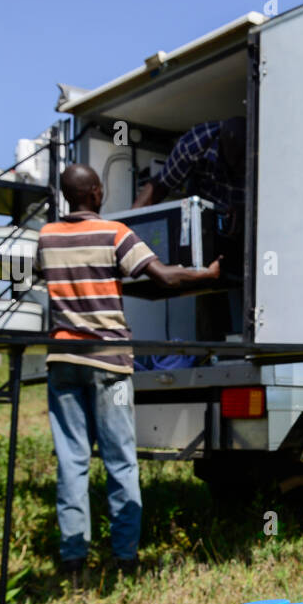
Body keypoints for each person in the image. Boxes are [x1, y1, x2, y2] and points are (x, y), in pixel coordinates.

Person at [38, 164, 222, 576]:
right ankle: (124, 558)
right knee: (120, 461)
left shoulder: (47, 237)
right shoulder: (114, 232)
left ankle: (73, 561)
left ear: (68, 196)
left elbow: (47, 278)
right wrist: (207, 274)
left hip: (63, 360)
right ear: (97, 192)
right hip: (108, 361)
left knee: (72, 462)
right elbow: (164, 278)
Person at [133, 117, 245, 338]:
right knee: (205, 284)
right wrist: (128, 232)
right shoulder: (196, 143)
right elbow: (160, 185)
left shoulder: (264, 151)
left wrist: (245, 212)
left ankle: (247, 340)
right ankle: (211, 349)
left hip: (245, 228)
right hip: (204, 230)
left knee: (249, 283)